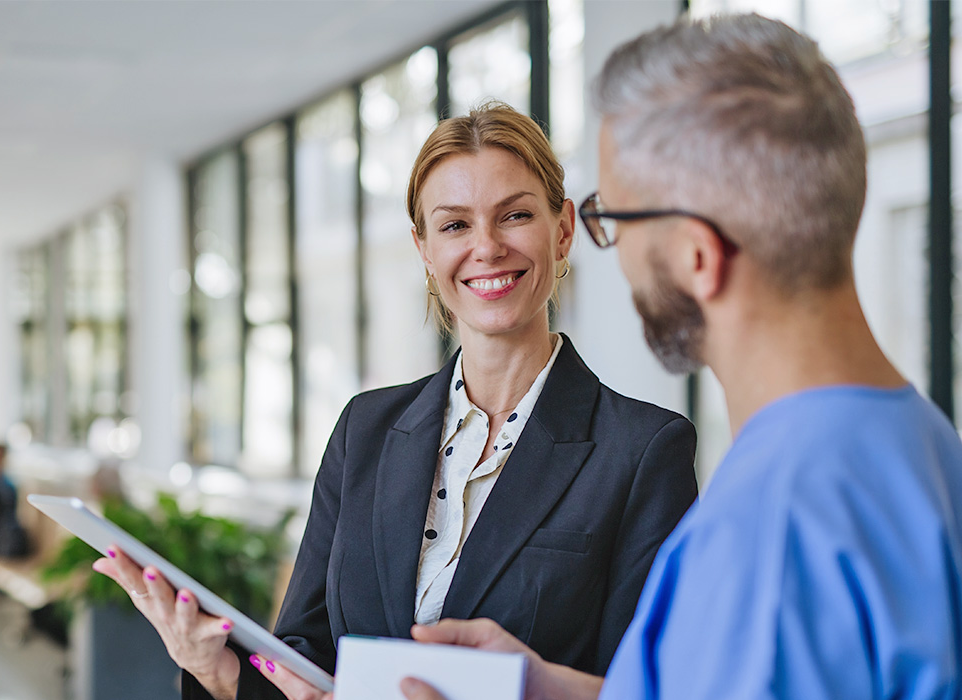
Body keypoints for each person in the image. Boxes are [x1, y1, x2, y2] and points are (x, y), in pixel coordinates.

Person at [398, 13, 962, 700]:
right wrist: (539, 687)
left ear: (698, 256)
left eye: (615, 218)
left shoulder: (766, 533)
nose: (616, 253)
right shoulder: (919, 442)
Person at [95, 103, 699, 700]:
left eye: (514, 215)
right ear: (424, 248)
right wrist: (219, 672)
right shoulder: (367, 429)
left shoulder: (643, 450)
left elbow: (649, 689)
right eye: (455, 225)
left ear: (563, 228)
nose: (486, 247)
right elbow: (306, 652)